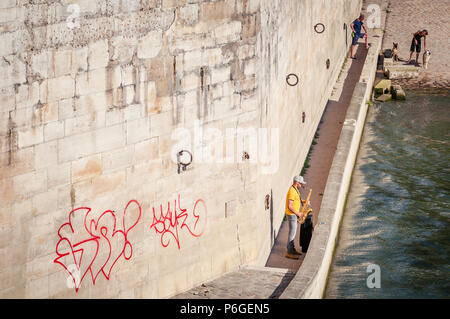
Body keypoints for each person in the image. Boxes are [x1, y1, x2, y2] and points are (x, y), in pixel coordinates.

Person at [285, 175, 307, 259]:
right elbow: (290, 206)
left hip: (294, 215)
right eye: (301, 183)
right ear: (297, 182)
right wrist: (298, 213)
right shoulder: (292, 191)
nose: (301, 185)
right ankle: (289, 252)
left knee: (293, 233)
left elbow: (297, 199)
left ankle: (292, 249)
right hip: (292, 215)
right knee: (292, 234)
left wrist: (305, 201)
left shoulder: (295, 190)